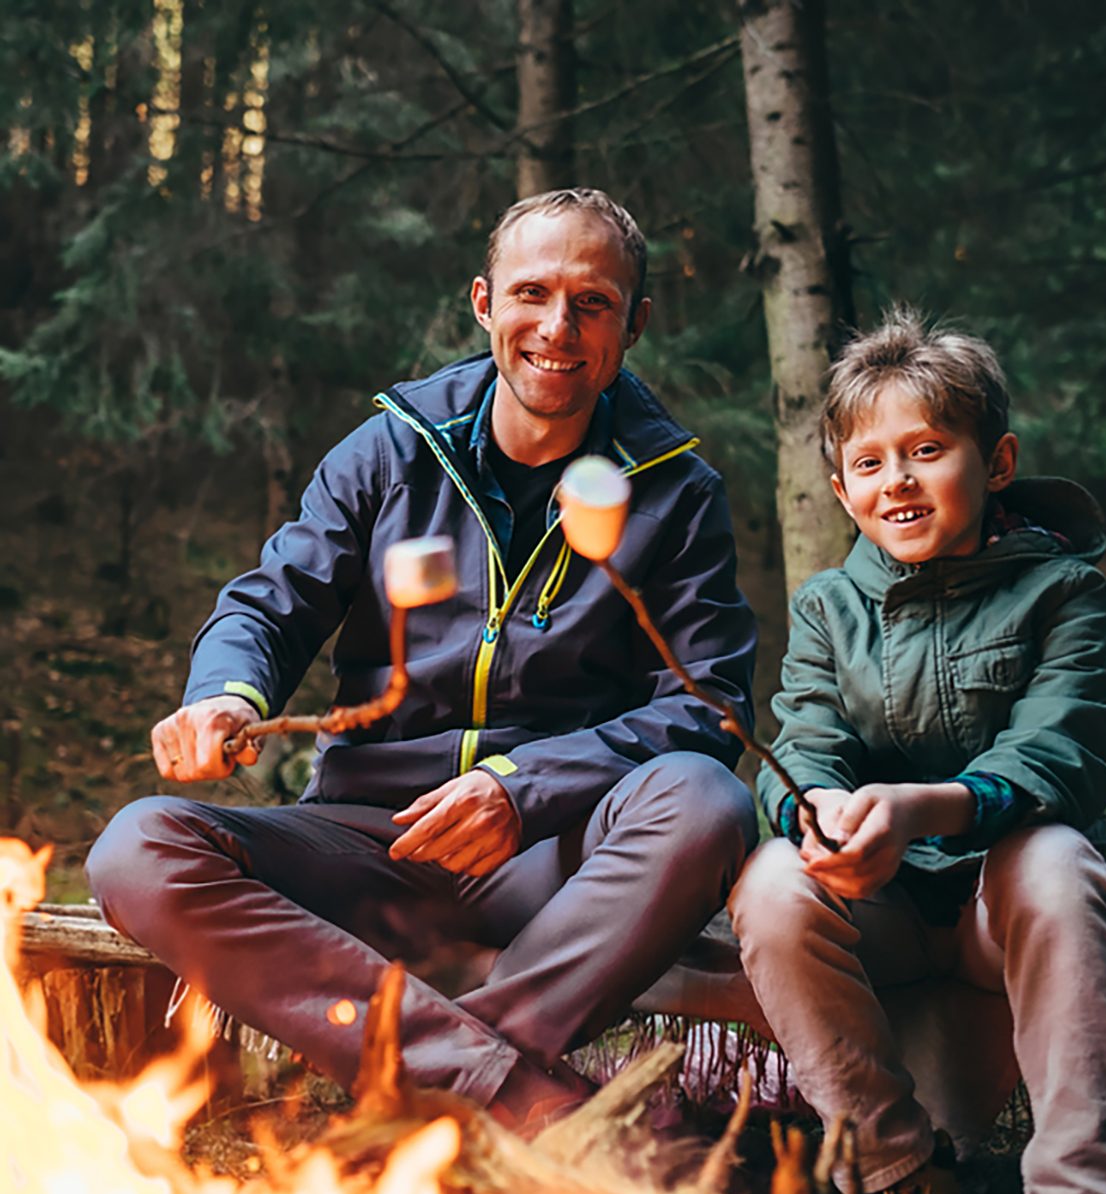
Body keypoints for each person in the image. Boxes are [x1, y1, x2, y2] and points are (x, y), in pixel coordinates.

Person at [87, 188, 758, 1131]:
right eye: (533, 294)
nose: (557, 328)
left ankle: (431, 1101)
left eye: (593, 303)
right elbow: (274, 599)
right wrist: (226, 695)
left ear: (635, 322)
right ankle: (519, 1106)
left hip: (553, 866)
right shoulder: (391, 452)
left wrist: (524, 787)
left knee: (704, 799)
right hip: (370, 840)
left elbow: (708, 708)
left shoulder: (679, 494)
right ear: (484, 303)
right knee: (137, 849)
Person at [728, 309, 1106, 1194]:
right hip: (876, 911)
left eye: (926, 450)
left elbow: (1064, 748)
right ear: (843, 492)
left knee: (1055, 857)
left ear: (995, 464)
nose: (898, 482)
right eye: (871, 464)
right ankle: (895, 1167)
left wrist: (929, 806)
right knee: (768, 880)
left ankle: (1090, 1181)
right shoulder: (826, 609)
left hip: (996, 923)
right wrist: (818, 816)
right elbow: (803, 743)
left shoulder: (1060, 588)